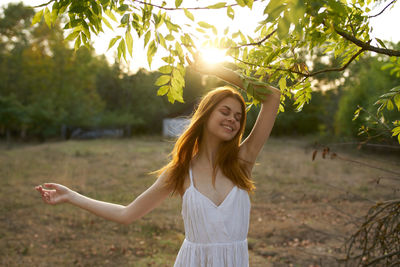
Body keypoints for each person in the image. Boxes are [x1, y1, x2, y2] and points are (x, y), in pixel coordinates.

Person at [35, 56, 281, 266]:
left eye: (238, 117)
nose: (232, 120)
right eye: (225, 112)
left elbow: (272, 96)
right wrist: (71, 196)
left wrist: (214, 69)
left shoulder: (242, 161)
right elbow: (126, 213)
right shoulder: (182, 171)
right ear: (206, 116)